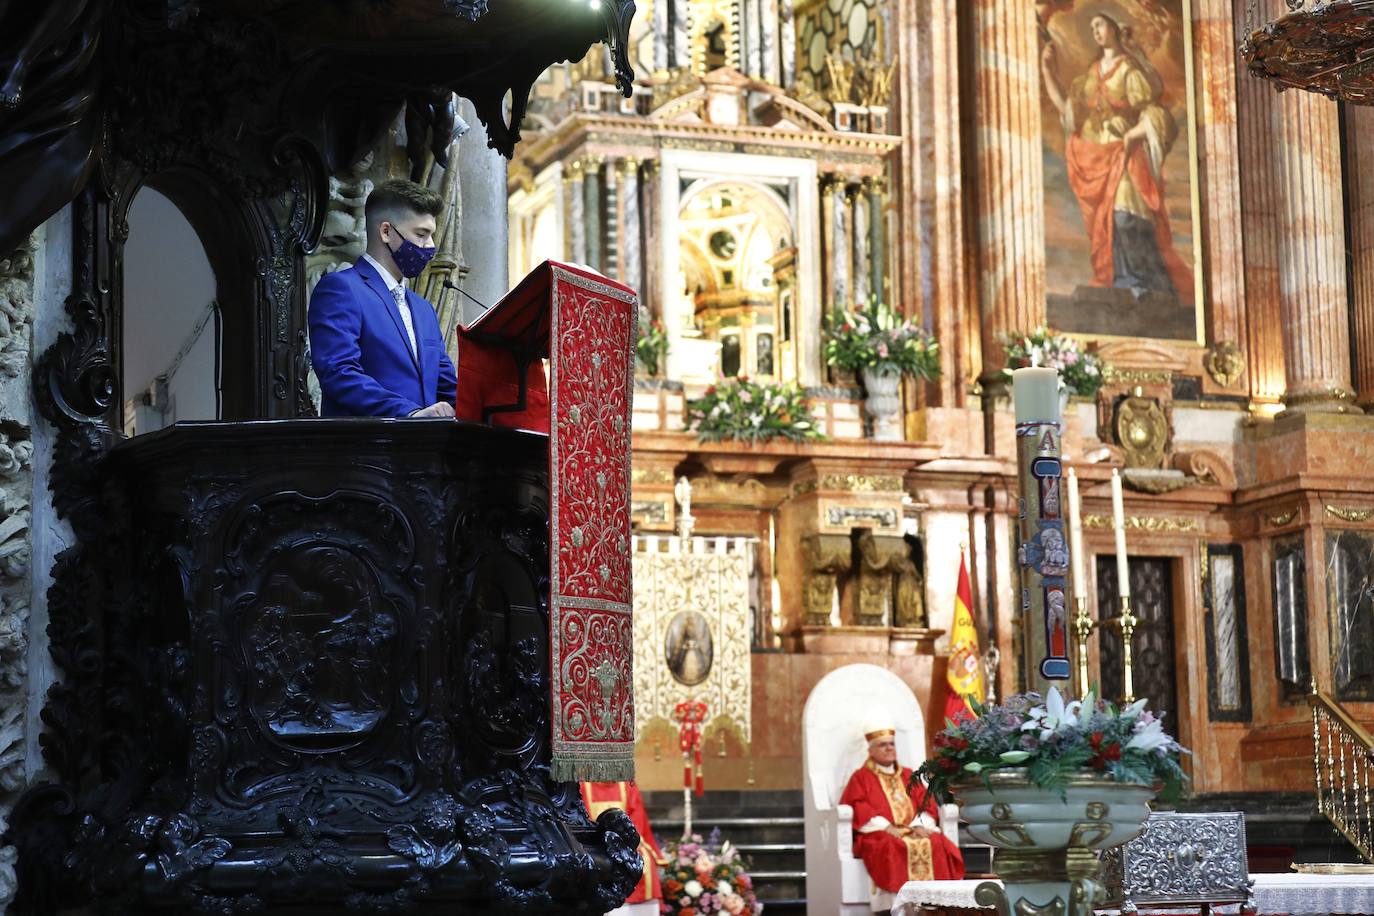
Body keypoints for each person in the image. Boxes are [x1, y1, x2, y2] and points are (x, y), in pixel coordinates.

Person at [1040, 12, 1193, 304]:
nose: (1095, 30)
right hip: (1095, 155)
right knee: (1106, 222)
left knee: (1127, 213)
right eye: (1092, 26)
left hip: (1124, 157)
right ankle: (1120, 281)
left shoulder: (1130, 71)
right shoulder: (1091, 74)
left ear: (1114, 27)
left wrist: (1133, 135)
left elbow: (1156, 114)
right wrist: (1047, 70)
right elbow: (1069, 112)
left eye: (1100, 24)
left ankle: (1142, 281)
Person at [308, 179, 457, 418]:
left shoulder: (423, 309)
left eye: (431, 236)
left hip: (424, 449)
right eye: (421, 234)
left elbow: (446, 384)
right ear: (386, 231)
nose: (430, 246)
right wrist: (410, 414)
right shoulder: (340, 289)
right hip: (366, 448)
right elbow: (338, 372)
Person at [839, 724, 964, 913]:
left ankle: (938, 905)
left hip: (912, 829)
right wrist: (886, 826)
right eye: (883, 745)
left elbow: (926, 803)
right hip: (880, 832)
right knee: (890, 845)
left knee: (937, 842)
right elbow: (858, 806)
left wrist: (918, 825)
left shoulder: (908, 775)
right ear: (871, 750)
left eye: (892, 744)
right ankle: (896, 907)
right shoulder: (861, 777)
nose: (889, 748)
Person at [579, 781, 665, 915]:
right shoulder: (582, 786)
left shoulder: (627, 786)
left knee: (643, 861)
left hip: (627, 843)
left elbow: (636, 823)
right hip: (594, 845)